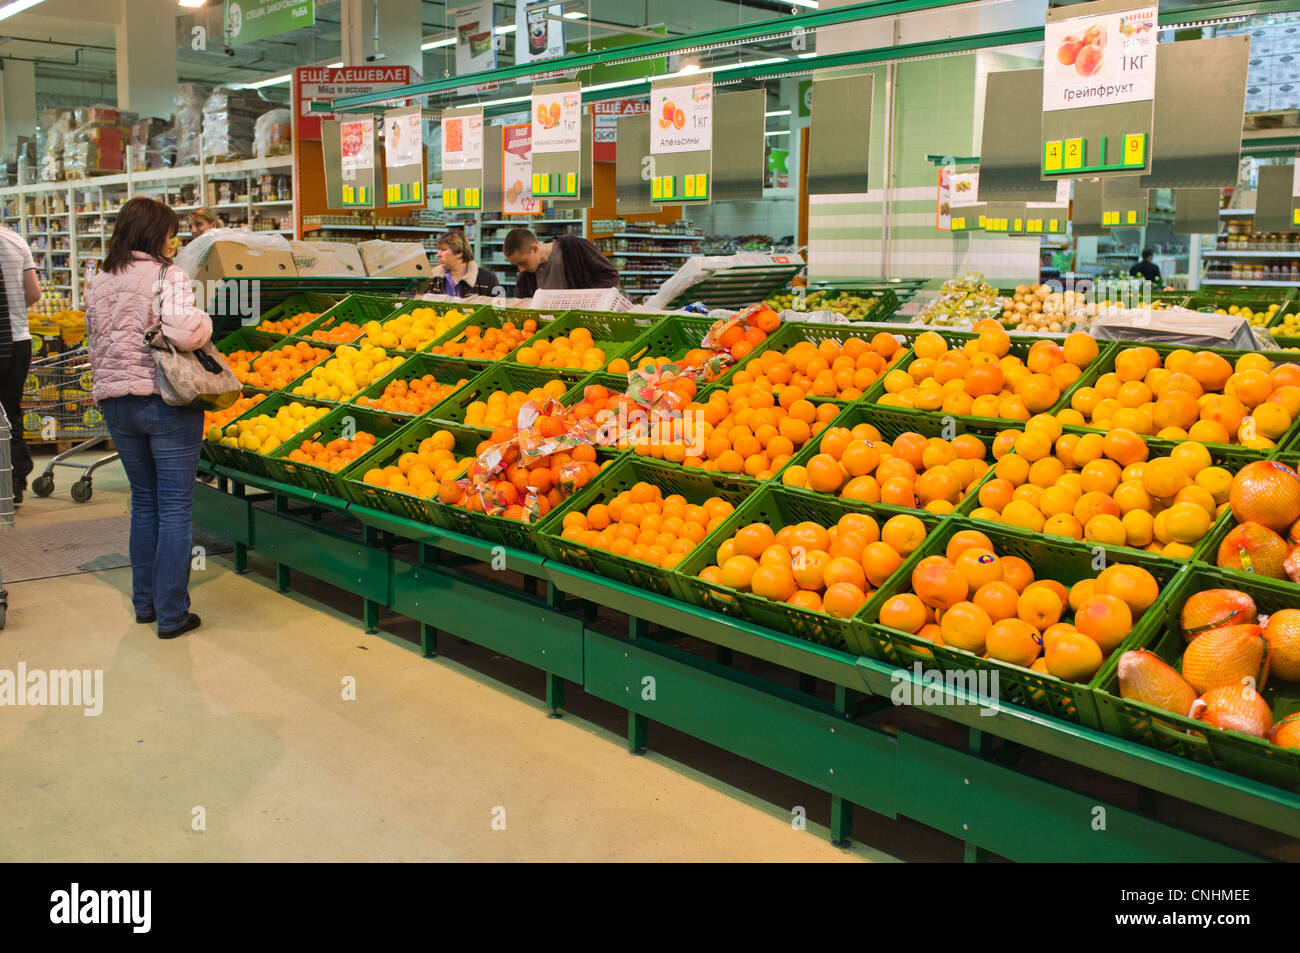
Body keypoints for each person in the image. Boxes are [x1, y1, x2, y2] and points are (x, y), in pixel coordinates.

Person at [84, 197, 212, 639]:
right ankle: (172, 614)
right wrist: (204, 324)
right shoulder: (166, 275)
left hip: (116, 404)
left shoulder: (99, 278)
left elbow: (95, 339)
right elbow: (183, 329)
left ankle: (145, 605)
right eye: (168, 231)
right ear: (155, 234)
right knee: (175, 508)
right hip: (164, 401)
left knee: (144, 502)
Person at [0, 222, 42, 505]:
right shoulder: (15, 241)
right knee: (10, 411)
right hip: (17, 340)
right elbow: (34, 294)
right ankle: (14, 482)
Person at [503, 227, 620, 298]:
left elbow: (610, 275)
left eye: (523, 262)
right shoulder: (525, 279)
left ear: (535, 248)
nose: (521, 269)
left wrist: (589, 298)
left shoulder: (574, 247)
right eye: (516, 265)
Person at [430, 231, 501, 298]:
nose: (438, 254)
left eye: (443, 250)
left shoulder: (488, 280)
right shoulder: (432, 279)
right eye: (438, 250)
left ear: (459, 253)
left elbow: (499, 308)